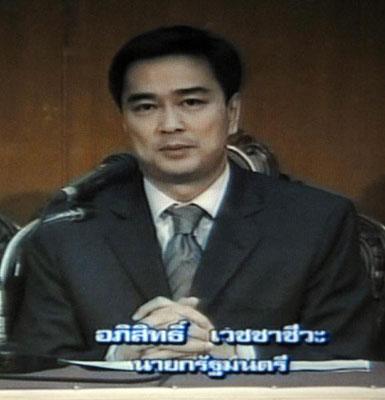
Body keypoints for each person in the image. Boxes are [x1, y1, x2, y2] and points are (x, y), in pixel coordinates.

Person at [11, 25, 378, 362]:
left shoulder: (315, 223)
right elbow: (35, 365)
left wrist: (235, 354)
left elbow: (348, 353)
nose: (170, 125)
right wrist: (118, 356)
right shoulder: (68, 233)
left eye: (191, 103)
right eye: (146, 107)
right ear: (124, 121)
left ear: (232, 114)